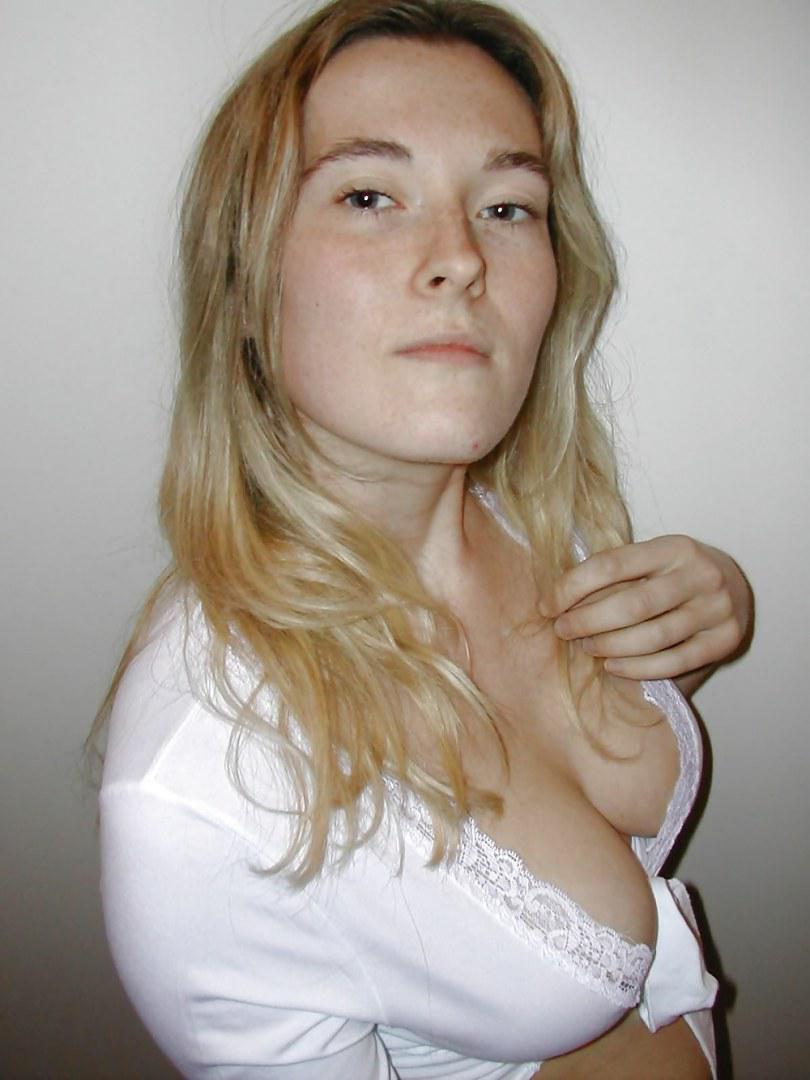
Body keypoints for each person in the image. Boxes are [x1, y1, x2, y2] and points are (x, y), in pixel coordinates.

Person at [90, 1, 752, 1076]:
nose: (460, 258)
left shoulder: (528, 506)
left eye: (506, 206)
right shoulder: (202, 793)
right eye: (368, 196)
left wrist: (703, 610)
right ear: (245, 279)